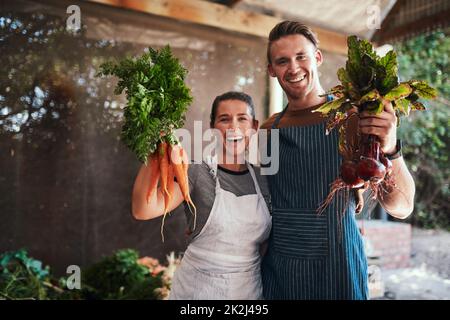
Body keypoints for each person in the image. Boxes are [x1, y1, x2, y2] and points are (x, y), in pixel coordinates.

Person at [260, 21, 415, 299]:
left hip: (339, 268)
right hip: (281, 271)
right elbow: (262, 203)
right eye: (282, 61)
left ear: (317, 58)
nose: (293, 68)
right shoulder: (268, 131)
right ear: (272, 70)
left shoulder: (355, 119)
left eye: (301, 56)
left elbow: (401, 207)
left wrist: (389, 147)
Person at [132, 91, 272, 300]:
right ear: (213, 128)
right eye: (224, 119)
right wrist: (155, 150)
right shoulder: (196, 172)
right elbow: (143, 209)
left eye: (242, 119)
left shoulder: (264, 180)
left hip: (248, 292)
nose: (233, 127)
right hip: (198, 291)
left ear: (253, 127)